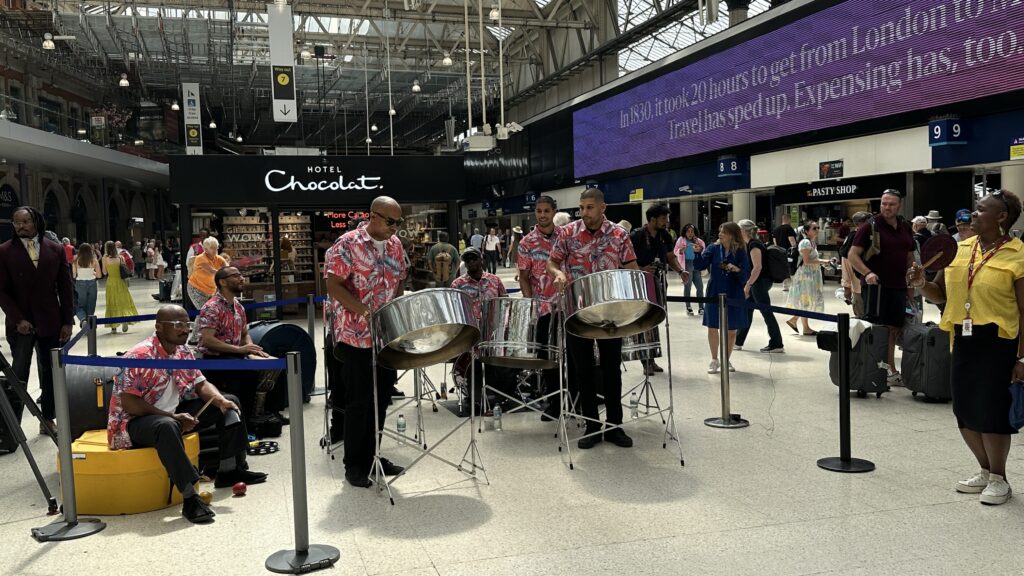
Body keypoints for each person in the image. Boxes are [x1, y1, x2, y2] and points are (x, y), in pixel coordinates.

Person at [908, 190, 1024, 506]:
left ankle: (1000, 478)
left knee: (992, 409)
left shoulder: (1017, 254)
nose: (972, 215)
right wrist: (921, 283)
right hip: (962, 336)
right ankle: (985, 470)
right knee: (964, 408)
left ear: (1001, 218)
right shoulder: (959, 250)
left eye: (980, 210)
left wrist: (1022, 357)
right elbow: (940, 294)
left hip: (999, 341)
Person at [107, 305, 268, 523]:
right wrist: (173, 418)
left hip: (172, 414)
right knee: (166, 426)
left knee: (229, 403)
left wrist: (220, 401)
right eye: (177, 325)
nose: (185, 330)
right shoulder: (140, 356)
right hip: (135, 422)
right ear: (159, 327)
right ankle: (190, 498)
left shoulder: (183, 351)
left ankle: (230, 470)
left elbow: (201, 384)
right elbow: (129, 404)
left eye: (187, 324)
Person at [547, 188, 639, 450]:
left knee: (611, 369)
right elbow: (552, 263)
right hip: (577, 309)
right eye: (582, 208)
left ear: (602, 207)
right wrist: (558, 274)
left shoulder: (619, 234)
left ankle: (614, 425)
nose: (584, 213)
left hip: (610, 313)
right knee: (583, 370)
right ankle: (591, 426)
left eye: (589, 207)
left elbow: (631, 267)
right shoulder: (568, 233)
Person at [325, 196, 407, 488]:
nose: (395, 228)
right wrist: (363, 310)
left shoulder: (396, 245)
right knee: (359, 401)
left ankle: (374, 456)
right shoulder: (347, 244)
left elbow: (399, 279)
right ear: (373, 216)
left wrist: (395, 308)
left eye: (398, 222)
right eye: (390, 221)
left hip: (385, 335)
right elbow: (332, 284)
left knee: (382, 397)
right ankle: (354, 464)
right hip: (355, 335)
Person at [0, 206, 74, 433]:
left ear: (36, 222)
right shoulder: (4, 251)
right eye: (16, 222)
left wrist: (67, 321)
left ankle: (48, 418)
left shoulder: (55, 249)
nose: (20, 226)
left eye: (25, 222)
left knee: (50, 372)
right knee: (18, 373)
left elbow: (65, 287)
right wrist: (17, 319)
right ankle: (13, 425)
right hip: (20, 324)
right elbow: (1, 290)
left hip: (50, 321)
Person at [197, 266, 284, 427]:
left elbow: (244, 334)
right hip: (215, 358)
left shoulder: (238, 306)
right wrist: (240, 350)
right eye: (236, 275)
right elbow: (207, 340)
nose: (241, 278)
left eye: (240, 275)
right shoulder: (211, 307)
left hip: (235, 354)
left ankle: (270, 412)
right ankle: (248, 418)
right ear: (222, 282)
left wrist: (250, 348)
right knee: (250, 373)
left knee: (278, 364)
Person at [847, 189, 916, 386]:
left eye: (891, 204)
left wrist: (911, 281)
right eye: (884, 203)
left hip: (898, 286)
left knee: (893, 328)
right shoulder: (870, 226)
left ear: (899, 205)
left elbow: (909, 256)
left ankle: (887, 368)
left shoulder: (904, 226)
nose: (887, 207)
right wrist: (867, 273)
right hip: (876, 288)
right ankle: (877, 369)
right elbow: (853, 255)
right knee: (878, 329)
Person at [517, 195, 566, 420]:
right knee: (548, 357)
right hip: (544, 308)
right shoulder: (527, 242)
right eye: (539, 211)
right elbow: (524, 277)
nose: (543, 215)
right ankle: (554, 403)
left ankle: (573, 399)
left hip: (568, 305)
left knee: (571, 355)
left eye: (547, 211)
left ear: (554, 211)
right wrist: (531, 305)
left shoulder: (565, 236)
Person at [629, 204, 690, 375]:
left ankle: (653, 357)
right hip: (640, 283)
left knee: (654, 320)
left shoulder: (665, 236)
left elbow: (670, 257)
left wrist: (680, 270)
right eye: (663, 219)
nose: (666, 222)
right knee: (642, 322)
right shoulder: (636, 236)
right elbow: (623, 260)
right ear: (652, 219)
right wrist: (640, 269)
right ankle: (645, 360)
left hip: (659, 282)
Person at [452, 247, 512, 408]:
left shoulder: (494, 280)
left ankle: (500, 395)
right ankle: (475, 395)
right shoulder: (458, 284)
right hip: (471, 334)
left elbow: (505, 303)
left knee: (499, 364)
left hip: (493, 332)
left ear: (481, 259)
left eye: (474, 258)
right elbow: (454, 309)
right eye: (467, 260)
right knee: (475, 365)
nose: (471, 262)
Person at [694, 222, 750, 374]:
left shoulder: (740, 251)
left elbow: (745, 275)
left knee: (731, 330)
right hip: (714, 292)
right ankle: (714, 359)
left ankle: (726, 359)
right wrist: (698, 253)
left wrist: (736, 269)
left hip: (733, 293)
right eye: (719, 230)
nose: (720, 233)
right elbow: (700, 266)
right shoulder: (713, 248)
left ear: (732, 234)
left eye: (724, 231)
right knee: (713, 327)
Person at [735, 220, 784, 353]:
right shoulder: (750, 243)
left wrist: (748, 285)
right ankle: (738, 341)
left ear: (744, 231)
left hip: (759, 282)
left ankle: (777, 343)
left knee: (766, 312)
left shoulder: (754, 244)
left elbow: (757, 267)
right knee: (747, 310)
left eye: (739, 229)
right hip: (757, 282)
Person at [785, 220, 828, 336]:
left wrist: (824, 263)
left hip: (811, 275)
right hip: (805, 276)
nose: (817, 230)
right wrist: (824, 261)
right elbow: (807, 261)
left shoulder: (812, 242)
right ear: (806, 231)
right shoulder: (805, 243)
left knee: (806, 300)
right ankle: (798, 323)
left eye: (818, 227)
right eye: (814, 228)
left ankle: (803, 326)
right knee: (805, 300)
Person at [101, 240, 138, 334]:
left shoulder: (105, 258)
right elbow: (124, 270)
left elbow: (104, 272)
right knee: (123, 301)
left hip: (111, 282)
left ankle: (113, 327)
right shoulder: (121, 257)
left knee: (112, 302)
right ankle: (125, 318)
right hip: (121, 282)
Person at [840, 212, 872, 318]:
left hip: (874, 285)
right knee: (862, 316)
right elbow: (846, 262)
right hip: (859, 285)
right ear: (859, 224)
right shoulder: (853, 237)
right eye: (867, 222)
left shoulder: (872, 236)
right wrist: (847, 286)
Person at [674, 224, 706, 316]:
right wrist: (681, 251)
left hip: (696, 265)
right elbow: (675, 250)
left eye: (692, 231)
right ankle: (688, 307)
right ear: (685, 232)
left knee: (700, 287)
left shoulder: (698, 241)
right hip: (687, 265)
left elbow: (704, 250)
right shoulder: (681, 240)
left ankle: (701, 307)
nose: (690, 233)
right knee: (687, 287)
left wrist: (700, 249)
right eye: (688, 231)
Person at [187, 236, 228, 308]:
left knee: (214, 311)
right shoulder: (201, 258)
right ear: (206, 249)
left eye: (216, 247)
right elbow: (211, 270)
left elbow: (227, 268)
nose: (215, 250)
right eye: (212, 248)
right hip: (196, 288)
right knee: (204, 311)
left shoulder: (219, 259)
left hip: (211, 290)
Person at [73, 242, 103, 323]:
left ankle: (83, 319)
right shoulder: (94, 260)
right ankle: (90, 327)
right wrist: (92, 272)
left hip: (80, 283)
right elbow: (99, 275)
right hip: (92, 283)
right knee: (91, 306)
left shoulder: (76, 260)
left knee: (80, 305)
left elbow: (74, 275)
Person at [773, 213, 798, 291]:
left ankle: (785, 285)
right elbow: (792, 241)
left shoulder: (775, 230)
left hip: (779, 252)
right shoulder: (789, 228)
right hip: (788, 252)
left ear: (782, 219)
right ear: (789, 219)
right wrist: (795, 248)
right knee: (792, 268)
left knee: (783, 268)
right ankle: (794, 285)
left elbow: (775, 243)